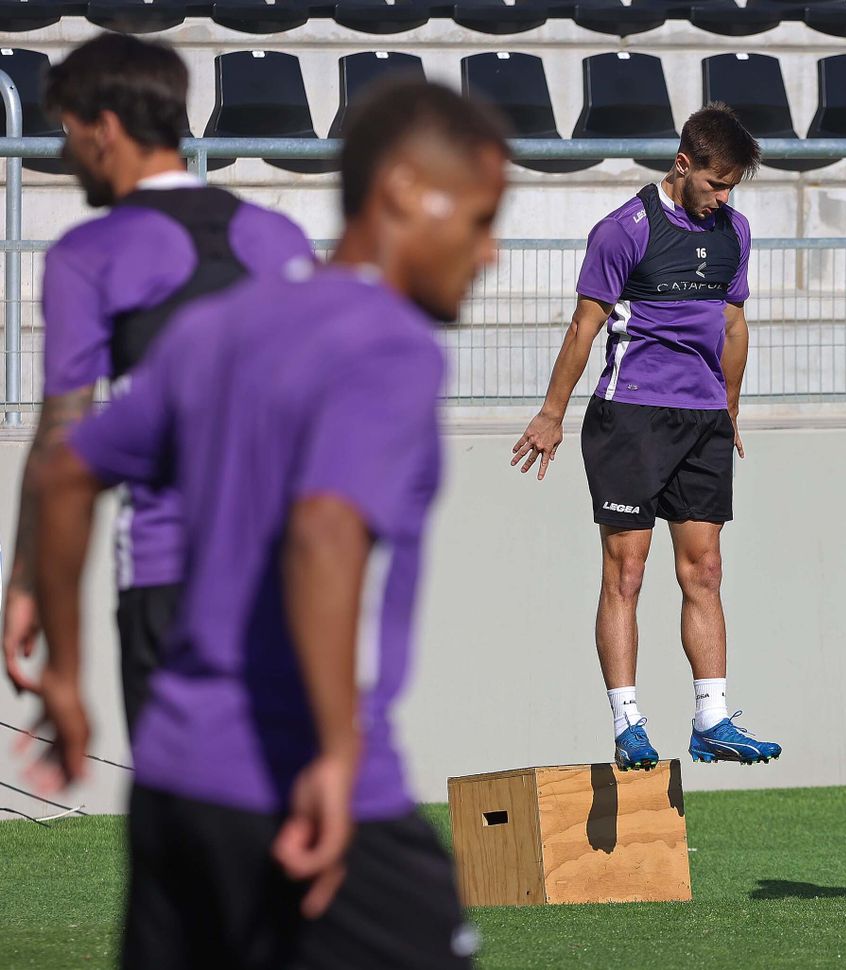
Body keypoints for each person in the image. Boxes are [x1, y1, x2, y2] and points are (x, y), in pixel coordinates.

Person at [24, 79, 507, 969]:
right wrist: (331, 755)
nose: (491, 253)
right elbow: (325, 529)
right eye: (479, 219)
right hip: (306, 783)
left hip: (174, 786)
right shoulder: (387, 343)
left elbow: (62, 474)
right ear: (401, 191)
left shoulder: (217, 329)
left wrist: (65, 669)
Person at [1, 33, 313, 734]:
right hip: (288, 579)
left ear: (104, 130)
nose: (65, 153)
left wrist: (26, 584)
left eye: (69, 132)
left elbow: (63, 438)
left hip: (168, 577)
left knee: (183, 830)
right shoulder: (279, 239)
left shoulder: (89, 254)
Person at [510, 104, 781, 771]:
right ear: (683, 164)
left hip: (703, 422)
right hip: (629, 417)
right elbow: (584, 326)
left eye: (733, 189)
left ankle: (713, 718)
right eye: (716, 184)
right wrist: (552, 413)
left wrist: (731, 407)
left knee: (706, 571)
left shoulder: (734, 231)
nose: (723, 199)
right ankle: (628, 721)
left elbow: (734, 326)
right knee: (626, 572)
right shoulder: (623, 230)